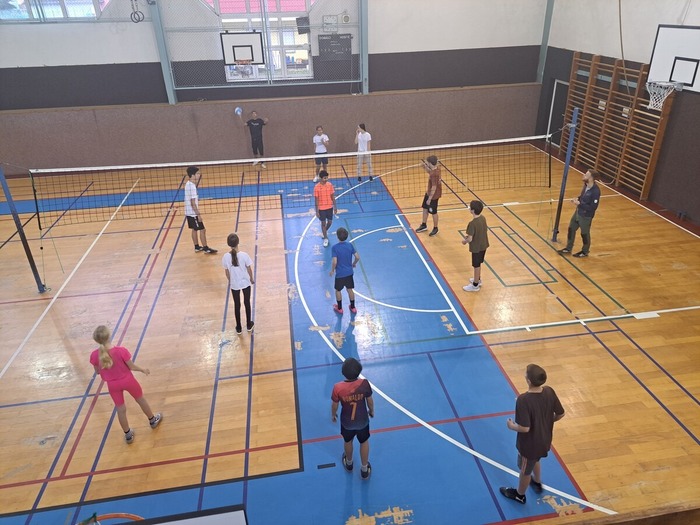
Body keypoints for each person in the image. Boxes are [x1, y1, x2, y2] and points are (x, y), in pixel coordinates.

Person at [500, 363, 565, 504]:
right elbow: (561, 414)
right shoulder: (549, 391)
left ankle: (520, 495)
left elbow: (525, 428)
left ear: (528, 380)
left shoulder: (523, 400)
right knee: (535, 460)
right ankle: (537, 482)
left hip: (529, 445)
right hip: (545, 440)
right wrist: (547, 422)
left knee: (525, 471)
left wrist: (511, 426)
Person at [89, 325, 162, 444]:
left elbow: (97, 372)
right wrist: (142, 370)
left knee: (120, 409)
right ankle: (152, 420)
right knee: (140, 399)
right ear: (109, 336)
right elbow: (131, 367)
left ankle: (128, 434)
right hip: (128, 381)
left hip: (113, 385)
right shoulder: (121, 351)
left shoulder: (94, 355)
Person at [331, 357, 374, 480]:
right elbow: (370, 401)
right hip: (362, 422)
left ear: (343, 372)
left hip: (347, 423)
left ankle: (349, 463)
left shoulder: (337, 387)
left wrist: (333, 415)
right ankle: (364, 469)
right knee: (364, 442)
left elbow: (334, 405)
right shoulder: (364, 384)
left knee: (347, 441)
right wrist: (371, 411)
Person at [558, 169, 601, 258]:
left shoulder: (595, 191)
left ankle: (585, 251)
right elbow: (582, 197)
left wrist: (580, 204)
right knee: (571, 229)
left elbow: (593, 208)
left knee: (584, 234)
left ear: (591, 178)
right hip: (578, 212)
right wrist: (577, 199)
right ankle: (568, 248)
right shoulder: (586, 185)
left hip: (585, 216)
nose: (584, 175)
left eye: (586, 175)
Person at [222, 233, 255, 335]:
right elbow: (249, 269)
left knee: (237, 304)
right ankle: (249, 325)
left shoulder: (225, 257)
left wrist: (230, 281)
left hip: (234, 284)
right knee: (247, 302)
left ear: (228, 244)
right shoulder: (244, 255)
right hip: (245, 283)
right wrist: (251, 279)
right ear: (238, 242)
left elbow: (227, 272)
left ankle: (239, 327)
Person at [184, 166, 217, 254]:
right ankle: (206, 248)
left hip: (188, 212)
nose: (199, 175)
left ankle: (197, 247)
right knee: (202, 230)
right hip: (193, 213)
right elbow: (192, 203)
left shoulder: (188, 184)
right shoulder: (192, 187)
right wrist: (198, 215)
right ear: (192, 175)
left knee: (194, 229)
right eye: (197, 173)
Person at [329, 227, 360, 315]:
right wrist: (353, 264)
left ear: (337, 236)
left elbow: (334, 262)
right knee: (350, 289)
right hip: (349, 273)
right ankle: (353, 307)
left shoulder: (335, 248)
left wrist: (332, 270)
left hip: (340, 274)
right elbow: (357, 257)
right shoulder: (350, 245)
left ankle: (339, 308)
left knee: (338, 290)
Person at [462, 200, 490, 292]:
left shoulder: (472, 223)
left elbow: (470, 239)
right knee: (479, 263)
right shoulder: (483, 218)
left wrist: (465, 241)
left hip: (476, 248)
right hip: (483, 245)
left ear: (473, 211)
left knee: (476, 265)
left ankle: (475, 285)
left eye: (470, 207)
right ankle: (478, 279)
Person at [414, 155, 442, 236]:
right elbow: (430, 172)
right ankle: (424, 225)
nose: (426, 163)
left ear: (430, 163)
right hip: (429, 193)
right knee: (425, 208)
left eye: (427, 162)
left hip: (433, 196)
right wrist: (424, 167)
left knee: (434, 212)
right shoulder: (436, 169)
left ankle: (435, 228)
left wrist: (429, 198)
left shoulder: (434, 174)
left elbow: (434, 187)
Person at [314, 170, 336, 248]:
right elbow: (316, 200)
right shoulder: (316, 187)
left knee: (330, 222)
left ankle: (324, 232)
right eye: (324, 178)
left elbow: (332, 196)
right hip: (321, 209)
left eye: (327, 178)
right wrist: (317, 211)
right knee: (323, 223)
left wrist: (335, 207)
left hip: (329, 207)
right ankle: (325, 238)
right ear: (320, 178)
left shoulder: (330, 185)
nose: (326, 179)